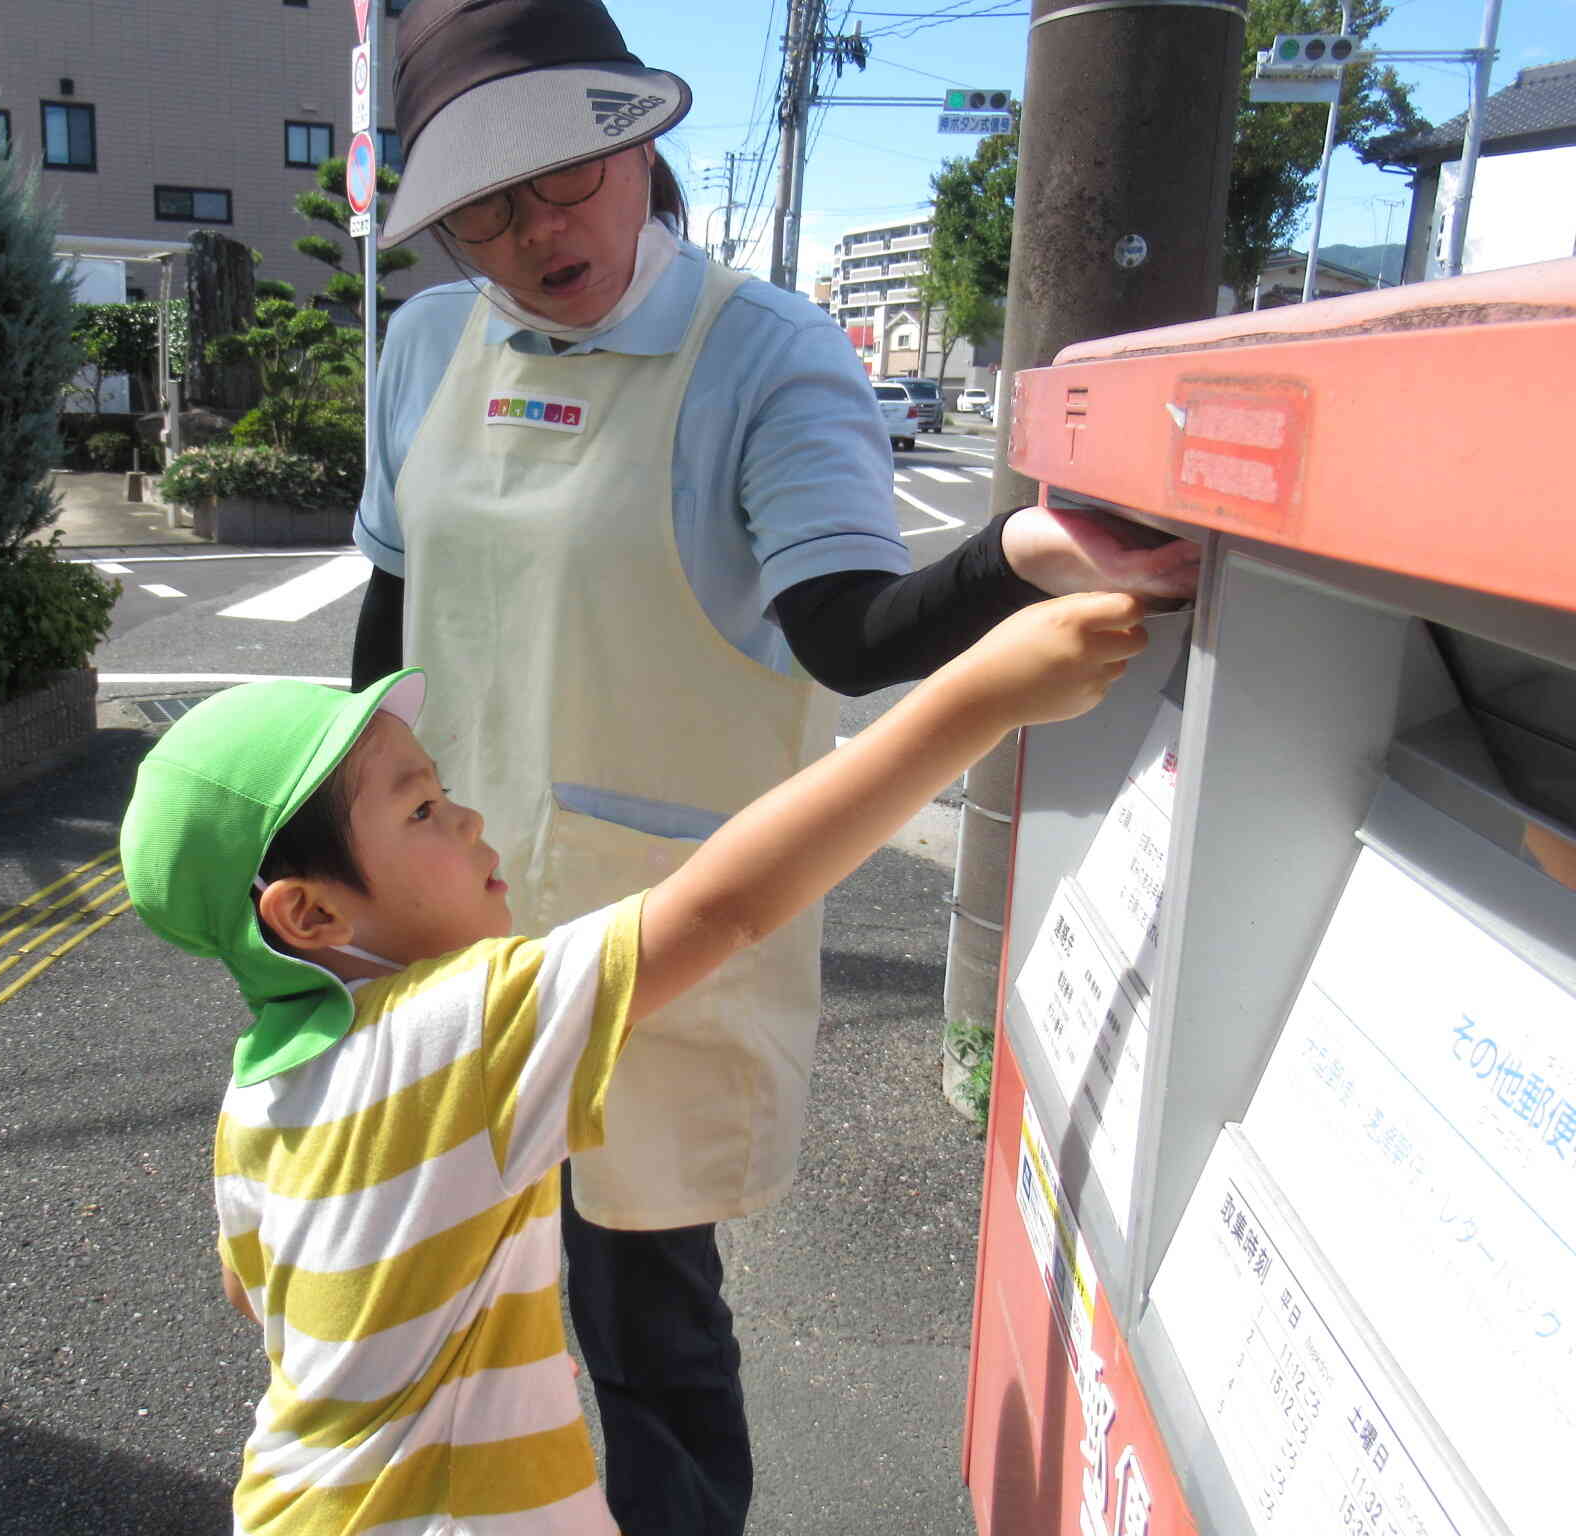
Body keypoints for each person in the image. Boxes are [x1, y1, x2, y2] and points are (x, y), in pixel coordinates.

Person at [350, 0, 1200, 1527]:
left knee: (645, 1331)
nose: (540, 227)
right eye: (484, 203)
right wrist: (329, 863)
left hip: (656, 931)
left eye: (568, 173)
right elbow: (392, 606)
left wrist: (1016, 554)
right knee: (448, 1301)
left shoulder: (764, 354)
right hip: (437, 919)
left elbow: (847, 632)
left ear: (639, 140)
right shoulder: (424, 347)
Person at [119, 590, 1146, 1534]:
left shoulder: (257, 1089)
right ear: (311, 914)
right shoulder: (458, 1029)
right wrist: (978, 698)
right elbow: (722, 907)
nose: (469, 820)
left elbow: (251, 1289)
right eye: (420, 811)